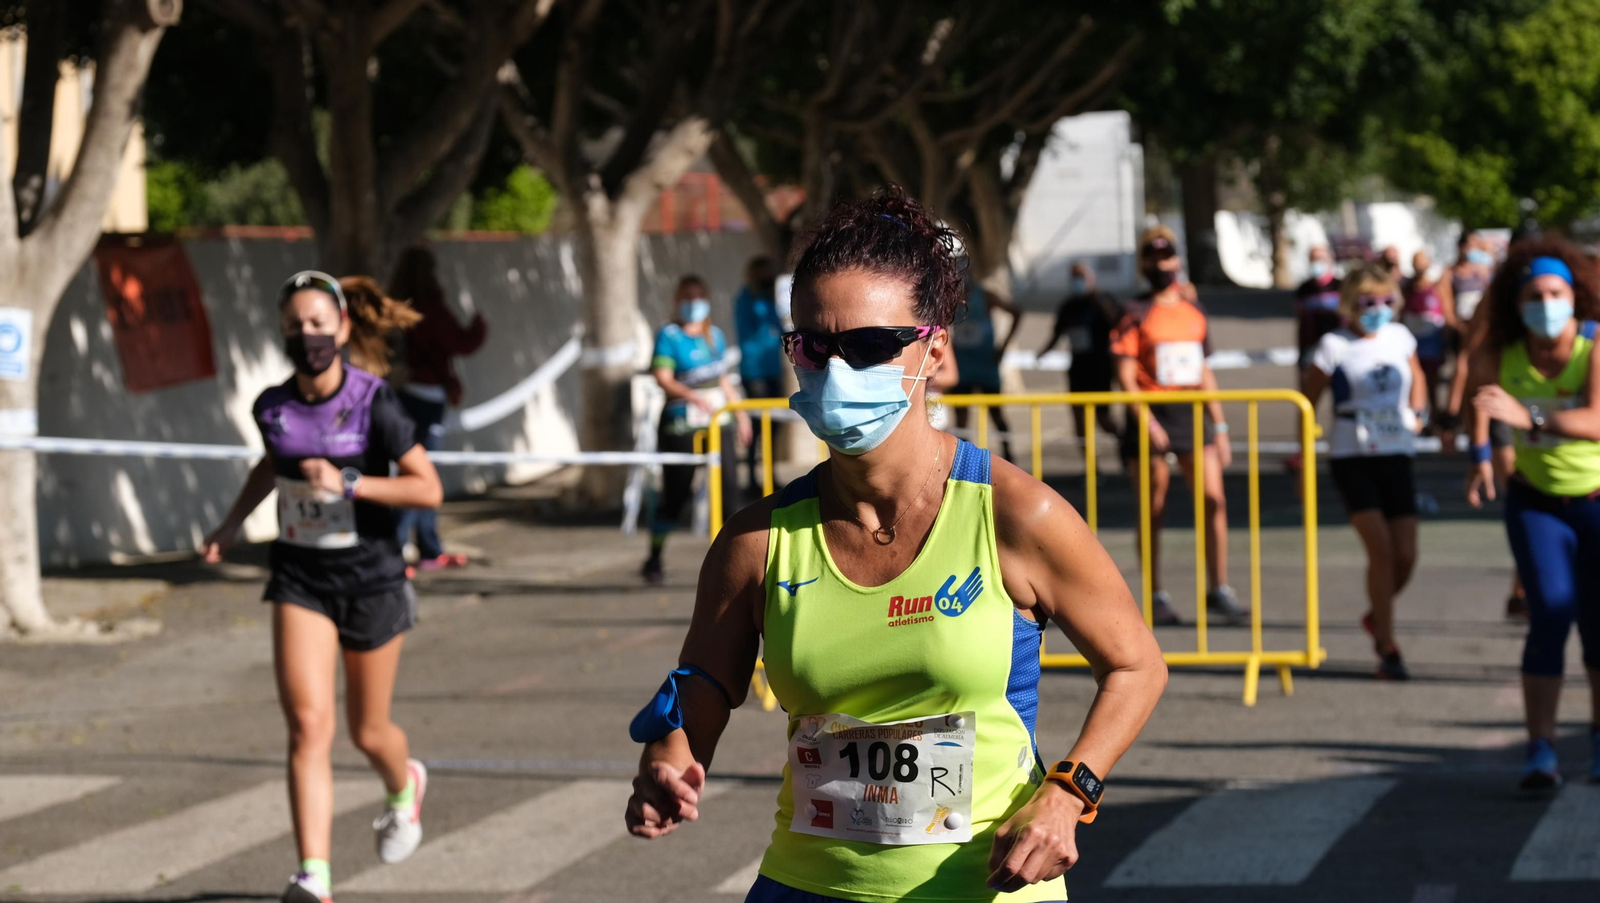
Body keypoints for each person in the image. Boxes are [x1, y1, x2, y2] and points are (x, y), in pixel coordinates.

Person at [624, 190, 1167, 903]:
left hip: (984, 889)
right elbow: (704, 685)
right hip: (807, 886)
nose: (836, 369)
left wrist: (1071, 790)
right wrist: (670, 755)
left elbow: (1135, 664)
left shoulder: (1016, 513)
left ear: (933, 348)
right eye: (813, 345)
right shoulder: (757, 540)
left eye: (872, 345)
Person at [202, 271, 443, 903]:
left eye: (316, 323)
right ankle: (315, 876)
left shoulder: (374, 402)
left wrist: (353, 484)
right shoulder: (272, 406)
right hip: (300, 577)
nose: (305, 335)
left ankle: (403, 786)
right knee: (309, 728)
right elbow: (270, 464)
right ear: (281, 332)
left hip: (372, 578)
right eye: (293, 326)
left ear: (340, 326)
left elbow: (428, 488)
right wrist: (230, 524)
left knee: (368, 731)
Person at [1465, 238, 1600, 791]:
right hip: (1535, 502)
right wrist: (1483, 453)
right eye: (1534, 295)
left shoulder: (1594, 346)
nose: (1546, 302)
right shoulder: (1504, 351)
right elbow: (1484, 398)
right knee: (1549, 612)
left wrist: (1530, 418)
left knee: (1597, 626)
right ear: (1516, 304)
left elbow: (1595, 420)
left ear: (1575, 296)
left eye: (1555, 292)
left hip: (1593, 499)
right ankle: (1541, 748)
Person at [1112, 226, 1247, 627]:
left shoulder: (1193, 311)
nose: (1161, 264)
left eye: (1167, 256)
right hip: (1152, 415)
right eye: (1153, 258)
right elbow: (1125, 375)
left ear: (1178, 260)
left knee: (1213, 502)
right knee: (1154, 508)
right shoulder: (1135, 312)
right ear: (1143, 264)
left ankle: (1219, 587)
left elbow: (1204, 371)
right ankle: (1155, 594)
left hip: (1191, 415)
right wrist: (1146, 419)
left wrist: (1220, 426)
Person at [1303, 265, 1427, 681]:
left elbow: (1419, 377)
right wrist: (1304, 447)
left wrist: (1419, 413)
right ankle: (1388, 647)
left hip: (1397, 449)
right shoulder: (1332, 346)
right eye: (1366, 302)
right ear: (1349, 305)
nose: (1376, 309)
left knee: (1407, 554)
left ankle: (1377, 613)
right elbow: (1307, 397)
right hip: (1351, 453)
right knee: (1382, 552)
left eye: (1384, 301)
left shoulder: (1400, 336)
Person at [642, 275, 751, 584]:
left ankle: (735, 564)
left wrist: (742, 417)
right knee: (676, 494)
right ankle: (654, 557)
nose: (693, 304)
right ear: (678, 301)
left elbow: (725, 380)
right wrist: (693, 397)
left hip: (719, 421)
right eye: (687, 298)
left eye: (698, 297)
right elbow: (662, 377)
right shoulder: (669, 335)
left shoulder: (714, 336)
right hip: (681, 421)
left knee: (730, 490)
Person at [387, 246, 487, 572]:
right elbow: (461, 342)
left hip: (400, 395)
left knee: (414, 472)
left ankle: (426, 548)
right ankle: (404, 550)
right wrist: (479, 324)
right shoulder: (431, 310)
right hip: (426, 400)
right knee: (421, 476)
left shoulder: (395, 309)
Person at [1445, 242, 1528, 619]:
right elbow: (1471, 365)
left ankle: (1524, 588)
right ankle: (1524, 589)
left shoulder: (1576, 306)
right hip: (1502, 419)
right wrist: (1476, 448)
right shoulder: (1496, 304)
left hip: (1557, 425)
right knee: (1526, 499)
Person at [1039, 261, 1122, 445]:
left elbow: (1117, 323)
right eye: (1074, 278)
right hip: (1078, 371)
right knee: (1080, 424)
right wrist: (1042, 353)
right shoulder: (1068, 306)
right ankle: (1092, 469)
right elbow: (1057, 333)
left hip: (1100, 369)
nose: (1078, 281)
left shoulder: (1102, 301)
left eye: (1081, 277)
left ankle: (1125, 447)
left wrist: (1097, 297)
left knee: (1103, 419)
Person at [950, 275, 1022, 461]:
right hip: (962, 368)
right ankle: (962, 460)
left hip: (986, 367)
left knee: (996, 414)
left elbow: (1016, 311)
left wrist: (1004, 346)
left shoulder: (985, 296)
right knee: (961, 419)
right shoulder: (949, 297)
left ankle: (1009, 455)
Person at [735, 255, 787, 492]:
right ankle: (752, 477)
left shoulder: (769, 300)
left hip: (772, 369)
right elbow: (754, 330)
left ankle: (769, 473)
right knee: (757, 425)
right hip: (754, 371)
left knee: (773, 425)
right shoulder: (746, 299)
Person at [1401, 250, 1455, 414]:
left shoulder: (1437, 287)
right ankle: (1418, 415)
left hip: (1432, 342)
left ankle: (1436, 418)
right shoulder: (1408, 289)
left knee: (1432, 383)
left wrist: (1446, 343)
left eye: (1422, 262)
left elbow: (1447, 313)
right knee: (1413, 380)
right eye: (1416, 262)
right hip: (1414, 342)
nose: (1419, 267)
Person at [1294, 245, 1345, 369]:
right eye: (1313, 259)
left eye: (1320, 258)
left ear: (1330, 260)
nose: (1317, 262)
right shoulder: (1304, 289)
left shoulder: (1341, 286)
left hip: (1339, 341)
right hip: (1311, 343)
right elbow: (1300, 315)